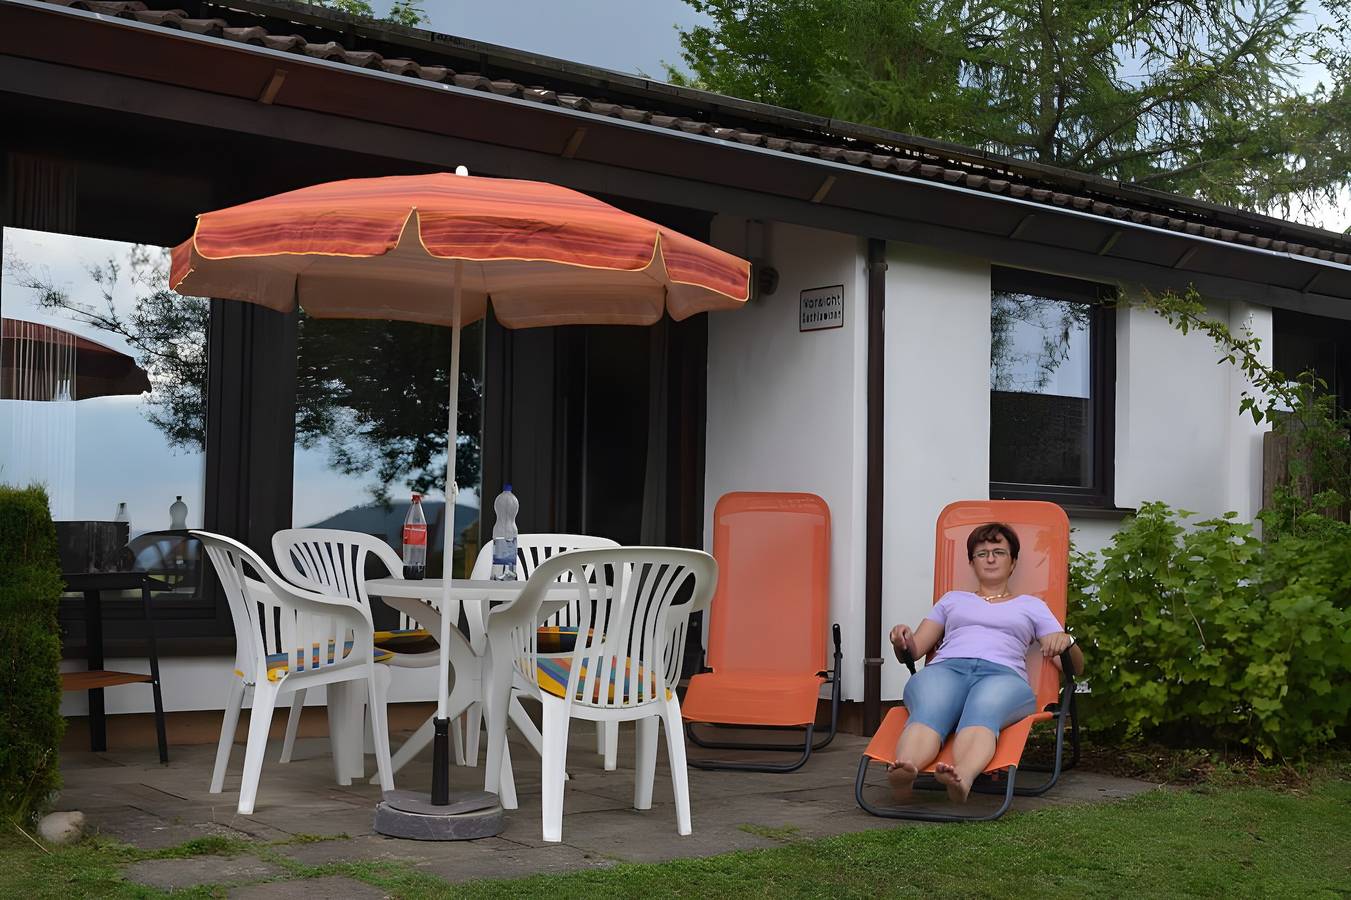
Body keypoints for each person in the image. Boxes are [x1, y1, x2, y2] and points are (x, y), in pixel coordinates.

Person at [886, 522, 1084, 802]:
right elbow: (914, 650)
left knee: (984, 710)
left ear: (1013, 562)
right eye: (982, 553)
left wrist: (1067, 642)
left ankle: (963, 776)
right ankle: (905, 769)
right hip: (947, 669)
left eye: (999, 552)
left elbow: (1074, 668)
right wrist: (902, 640)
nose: (990, 559)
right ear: (972, 562)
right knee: (930, 709)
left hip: (1002, 676)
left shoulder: (1032, 606)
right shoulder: (952, 600)